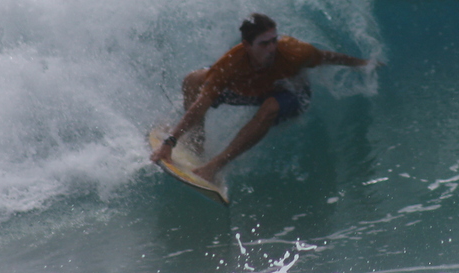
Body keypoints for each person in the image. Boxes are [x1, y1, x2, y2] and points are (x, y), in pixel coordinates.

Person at [151, 13, 377, 182]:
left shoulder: (294, 52)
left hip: (291, 93)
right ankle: (196, 143)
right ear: (247, 46)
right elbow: (201, 105)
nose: (272, 48)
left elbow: (328, 57)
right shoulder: (231, 63)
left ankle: (214, 166)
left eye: (274, 40)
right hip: (251, 89)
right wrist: (170, 142)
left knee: (269, 106)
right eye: (264, 43)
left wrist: (363, 64)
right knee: (193, 79)